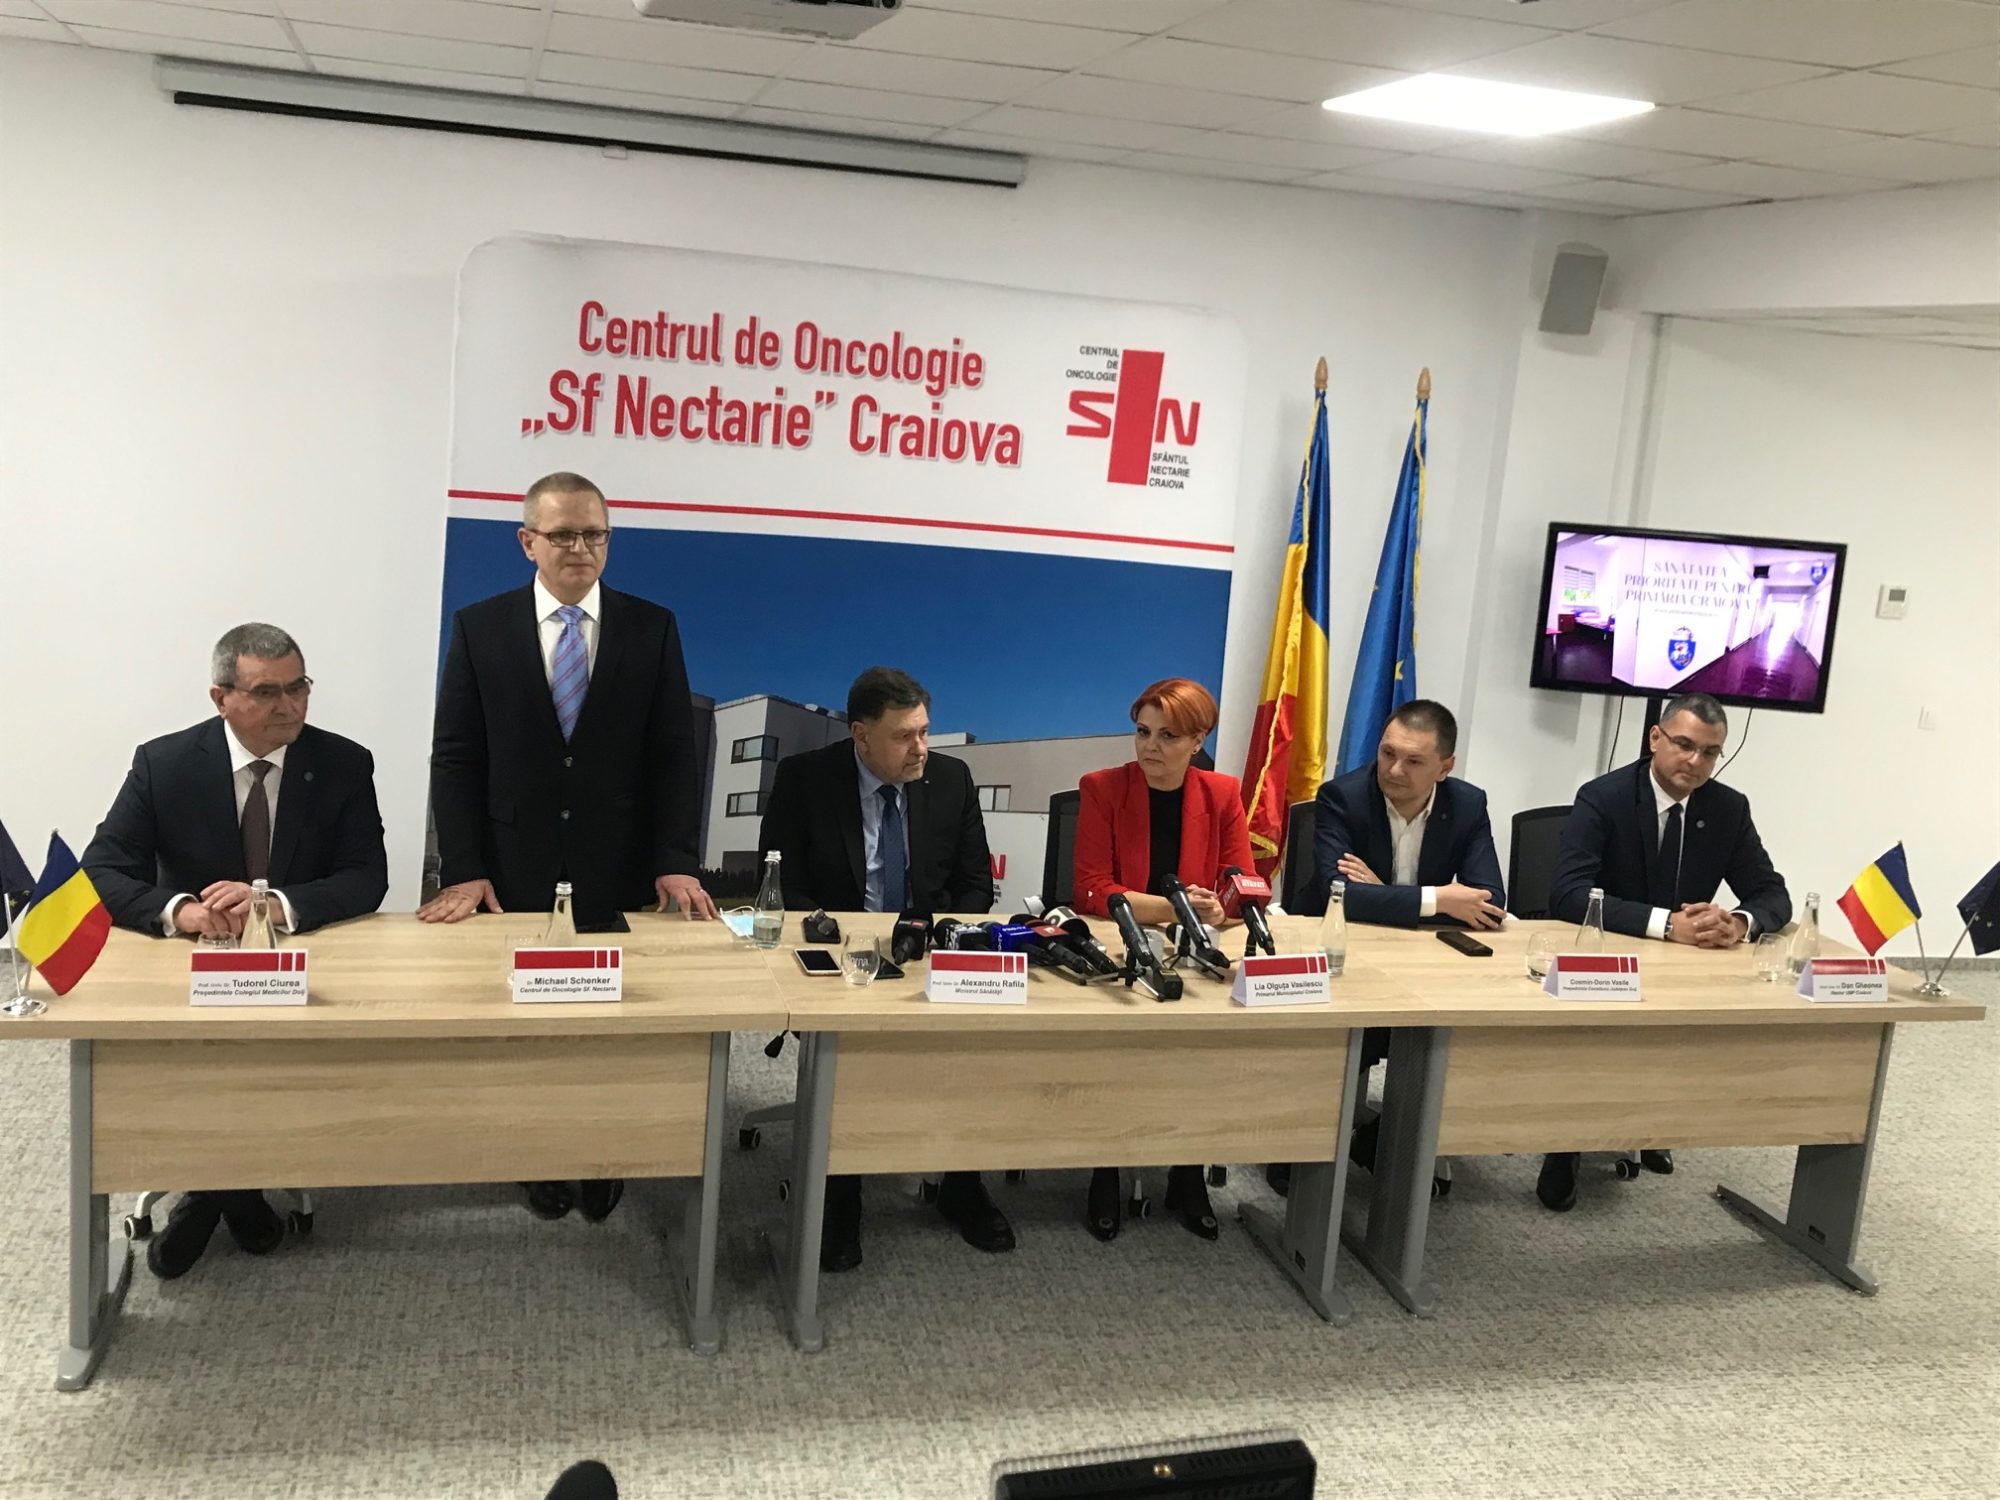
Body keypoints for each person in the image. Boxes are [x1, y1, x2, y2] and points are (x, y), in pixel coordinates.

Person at [420, 470, 716, 1226]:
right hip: (511, 864)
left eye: (594, 534)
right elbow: (456, 757)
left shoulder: (652, 627)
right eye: (562, 535)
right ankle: (536, 1154)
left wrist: (676, 858)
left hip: (618, 864)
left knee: (612, 1020)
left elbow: (673, 755)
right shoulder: (480, 627)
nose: (580, 547)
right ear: (528, 542)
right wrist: (464, 867)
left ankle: (602, 1153)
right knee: (524, 1020)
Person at [82, 623, 389, 1279]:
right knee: (198, 1061)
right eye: (268, 692)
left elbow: (367, 877)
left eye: (299, 687)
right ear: (221, 698)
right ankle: (234, 1192)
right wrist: (181, 911)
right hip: (192, 966)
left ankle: (212, 1192)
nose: (290, 706)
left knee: (279, 1064)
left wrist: (275, 904)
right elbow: (102, 872)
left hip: (296, 964)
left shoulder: (342, 763)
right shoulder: (164, 763)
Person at [756, 666, 1008, 1272]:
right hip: (841, 955)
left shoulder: (951, 778)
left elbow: (976, 884)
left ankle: (961, 1183)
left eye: (924, 732)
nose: (920, 748)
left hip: (926, 950)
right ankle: (840, 1195)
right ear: (861, 735)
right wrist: (845, 940)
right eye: (903, 736)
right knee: (851, 1053)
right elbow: (783, 884)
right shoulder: (806, 779)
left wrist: (936, 938)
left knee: (972, 1046)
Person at [1540, 690, 1792, 1211]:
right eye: (1684, 745)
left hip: (1682, 970)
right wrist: (1666, 925)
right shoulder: (1603, 797)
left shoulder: (1727, 808)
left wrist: (1738, 923)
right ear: (1655, 738)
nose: (1695, 761)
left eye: (1710, 752)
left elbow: (1772, 893)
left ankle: (1653, 1120)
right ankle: (1564, 1144)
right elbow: (1566, 895)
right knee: (1595, 1045)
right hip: (1605, 961)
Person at [1271, 699, 1505, 1195]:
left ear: (1445, 767)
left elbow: (1488, 904)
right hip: (1335, 956)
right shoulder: (1343, 797)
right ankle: (1305, 1146)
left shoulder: (1468, 804)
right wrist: (1438, 898)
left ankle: (1377, 1140)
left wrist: (1384, 894)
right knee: (1349, 1039)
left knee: (1454, 1041)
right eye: (1387, 753)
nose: (1394, 770)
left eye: (1414, 761)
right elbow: (1339, 895)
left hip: (1420, 963)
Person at [1073, 677, 1251, 1244]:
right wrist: (1177, 909)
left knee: (1203, 1046)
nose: (1150, 746)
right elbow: (1092, 888)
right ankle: (1105, 1167)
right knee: (1118, 1045)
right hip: (1122, 949)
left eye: (1168, 736)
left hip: (1196, 954)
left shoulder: (1221, 794)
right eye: (1143, 732)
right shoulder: (1103, 788)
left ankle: (1187, 1170)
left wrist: (1220, 909)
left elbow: (1243, 884)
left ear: (1198, 740)